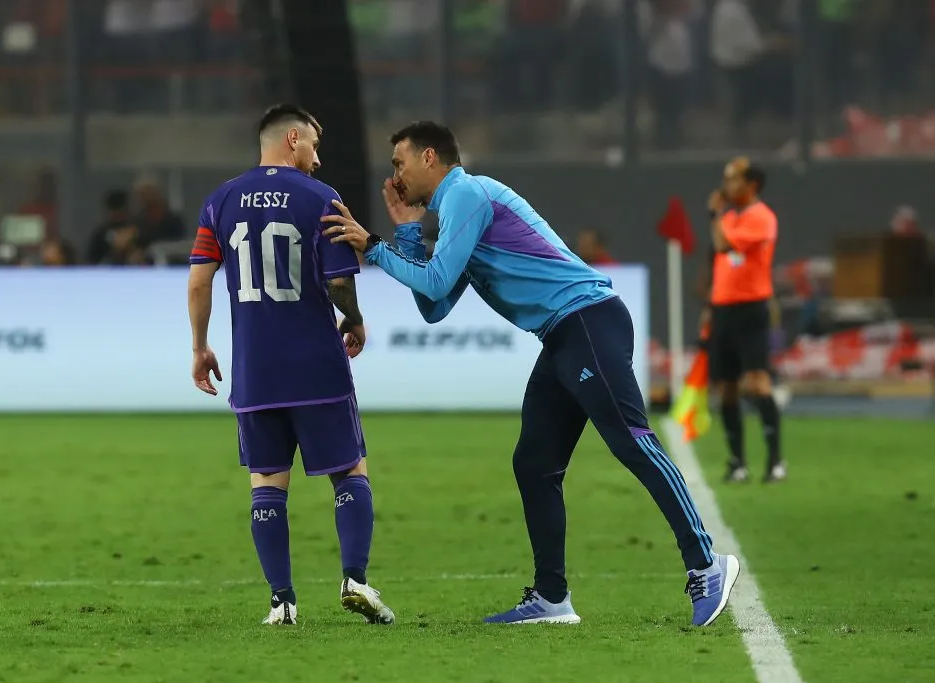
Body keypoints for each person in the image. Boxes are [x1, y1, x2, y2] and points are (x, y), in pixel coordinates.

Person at [323, 121, 739, 626]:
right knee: (534, 463)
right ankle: (551, 598)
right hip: (562, 336)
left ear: (429, 157)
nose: (394, 175)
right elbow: (435, 305)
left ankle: (706, 565)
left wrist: (373, 245)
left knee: (632, 442)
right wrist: (407, 232)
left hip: (587, 320)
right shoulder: (456, 212)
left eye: (399, 163)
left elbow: (432, 281)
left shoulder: (466, 194)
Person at [186, 104, 395, 627]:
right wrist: (355, 319)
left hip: (256, 372)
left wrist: (200, 346)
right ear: (293, 139)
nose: (319, 160)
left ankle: (282, 601)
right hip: (315, 365)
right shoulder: (321, 199)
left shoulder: (220, 201)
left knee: (266, 483)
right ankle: (355, 580)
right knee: (350, 471)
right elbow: (340, 281)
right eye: (315, 146)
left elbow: (198, 280)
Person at [707, 157, 785, 483]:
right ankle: (737, 462)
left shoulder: (761, 218)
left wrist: (714, 214)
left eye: (734, 179)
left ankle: (776, 462)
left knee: (756, 383)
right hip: (723, 308)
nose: (727, 185)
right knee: (725, 388)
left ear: (752, 185)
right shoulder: (733, 218)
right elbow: (725, 263)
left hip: (750, 308)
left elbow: (724, 246)